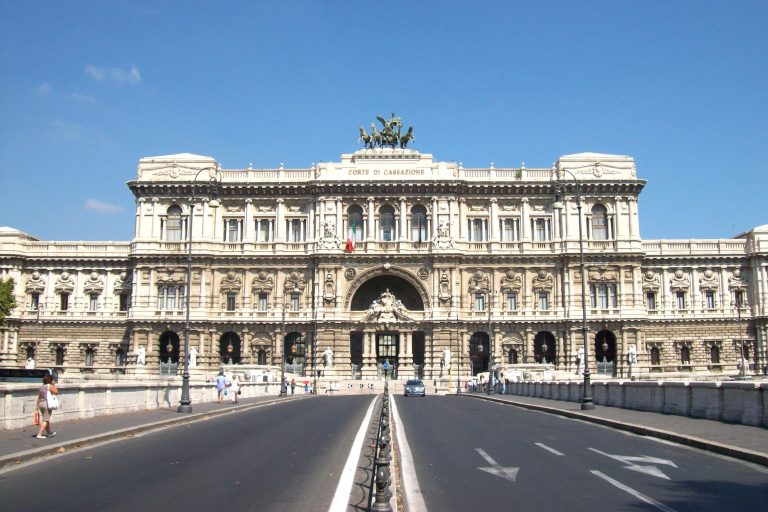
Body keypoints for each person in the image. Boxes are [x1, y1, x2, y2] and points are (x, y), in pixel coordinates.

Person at [35, 373, 58, 439]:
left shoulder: (42, 386)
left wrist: (36, 407)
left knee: (46, 418)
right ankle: (39, 434)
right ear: (50, 380)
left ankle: (49, 433)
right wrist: (54, 385)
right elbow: (56, 392)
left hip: (41, 404)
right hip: (46, 403)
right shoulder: (49, 386)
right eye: (53, 380)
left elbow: (38, 397)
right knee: (45, 420)